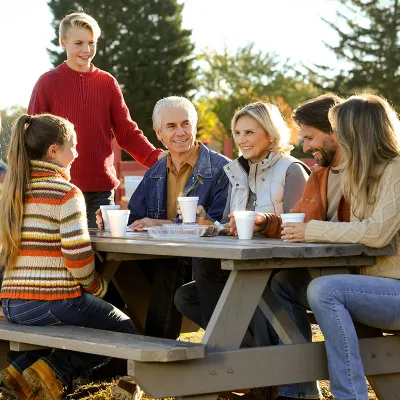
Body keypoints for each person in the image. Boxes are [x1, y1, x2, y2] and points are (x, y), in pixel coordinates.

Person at [175, 101, 310, 400]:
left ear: (271, 134)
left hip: (282, 268)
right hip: (245, 264)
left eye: (250, 132)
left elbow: (300, 228)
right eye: (237, 132)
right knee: (187, 294)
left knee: (224, 276)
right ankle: (248, 362)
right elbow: (231, 224)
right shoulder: (236, 171)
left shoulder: (292, 170)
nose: (242, 139)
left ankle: (242, 370)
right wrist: (211, 224)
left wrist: (261, 227)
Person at [0, 114, 135, 400]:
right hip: (49, 300)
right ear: (53, 151)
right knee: (124, 327)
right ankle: (54, 371)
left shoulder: (13, 191)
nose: (76, 154)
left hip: (12, 303)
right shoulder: (65, 193)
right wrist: (96, 287)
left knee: (72, 326)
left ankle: (18, 374)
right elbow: (77, 256)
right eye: (72, 147)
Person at [281, 94, 400, 400]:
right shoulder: (360, 172)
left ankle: (350, 395)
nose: (337, 137)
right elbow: (353, 231)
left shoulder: (396, 169)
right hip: (373, 285)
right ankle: (296, 387)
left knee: (325, 290)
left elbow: (375, 234)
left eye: (339, 130)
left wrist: (311, 231)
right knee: (285, 283)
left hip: (393, 288)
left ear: (358, 132)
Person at [97, 95, 230, 340]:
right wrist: (111, 218)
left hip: (204, 264)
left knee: (170, 266)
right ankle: (110, 355)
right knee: (110, 270)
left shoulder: (222, 169)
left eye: (185, 124)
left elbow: (223, 225)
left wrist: (164, 224)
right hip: (159, 259)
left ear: (195, 126)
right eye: (171, 126)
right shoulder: (155, 172)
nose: (180, 132)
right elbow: (136, 217)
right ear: (159, 134)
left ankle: (157, 353)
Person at [243, 94, 344, 400]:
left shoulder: (362, 172)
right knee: (277, 283)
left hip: (358, 277)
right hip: (331, 273)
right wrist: (265, 222)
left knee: (280, 284)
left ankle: (294, 389)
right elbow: (297, 217)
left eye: (310, 137)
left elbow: (368, 230)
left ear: (335, 132)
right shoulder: (321, 173)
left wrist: (310, 230)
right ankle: (294, 388)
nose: (305, 146)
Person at [27, 12, 163, 228]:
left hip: (101, 194)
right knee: (65, 257)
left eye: (91, 43)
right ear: (63, 42)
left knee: (103, 258)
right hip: (57, 190)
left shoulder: (107, 83)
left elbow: (126, 132)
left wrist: (157, 159)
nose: (87, 50)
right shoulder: (47, 84)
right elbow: (33, 138)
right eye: (78, 43)